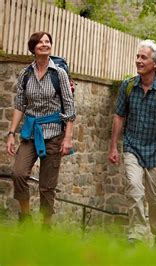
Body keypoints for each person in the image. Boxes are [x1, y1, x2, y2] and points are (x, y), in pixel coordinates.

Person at [108, 39, 156, 245]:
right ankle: (137, 235)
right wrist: (114, 146)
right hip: (132, 146)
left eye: (143, 57)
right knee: (134, 188)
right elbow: (119, 116)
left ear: (155, 64)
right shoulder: (128, 86)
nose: (138, 61)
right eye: (137, 57)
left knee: (155, 198)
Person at [6, 32, 76, 228]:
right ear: (33, 48)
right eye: (41, 42)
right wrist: (11, 134)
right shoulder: (26, 74)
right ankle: (26, 217)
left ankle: (46, 226)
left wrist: (68, 138)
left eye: (48, 41)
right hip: (30, 133)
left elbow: (69, 107)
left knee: (47, 186)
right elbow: (20, 105)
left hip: (54, 134)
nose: (45, 44)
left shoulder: (59, 74)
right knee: (18, 173)